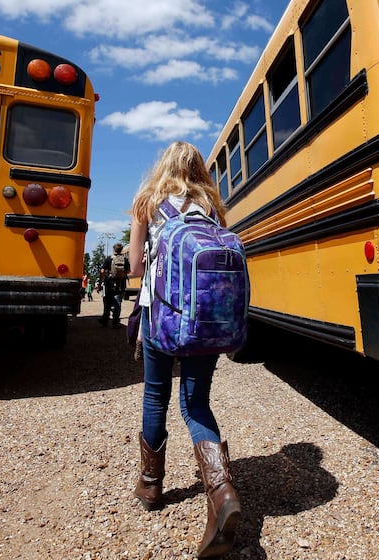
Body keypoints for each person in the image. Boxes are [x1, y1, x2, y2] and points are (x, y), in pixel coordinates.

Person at [126, 141, 241, 558]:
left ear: (165, 166)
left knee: (156, 395)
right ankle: (222, 490)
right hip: (206, 322)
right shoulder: (210, 204)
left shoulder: (149, 201)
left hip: (161, 318)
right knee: (197, 404)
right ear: (198, 169)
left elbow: (137, 267)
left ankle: (151, 485)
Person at [98, 243, 128, 327]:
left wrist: (100, 283)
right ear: (121, 250)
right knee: (117, 303)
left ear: (113, 249)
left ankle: (105, 320)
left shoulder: (108, 259)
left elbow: (102, 271)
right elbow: (127, 271)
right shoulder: (124, 260)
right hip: (120, 284)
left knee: (107, 303)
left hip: (108, 284)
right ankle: (115, 322)